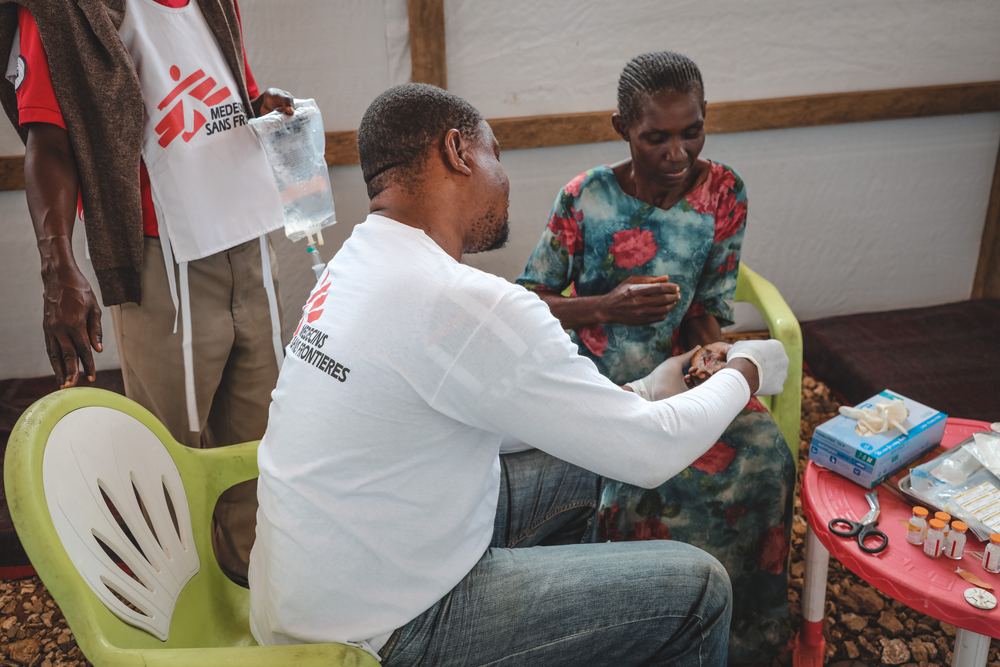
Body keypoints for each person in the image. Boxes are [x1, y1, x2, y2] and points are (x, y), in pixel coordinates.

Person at [248, 82, 790, 667]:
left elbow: (491, 408)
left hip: (307, 597)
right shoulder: (458, 299)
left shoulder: (352, 267)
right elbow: (651, 452)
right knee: (699, 589)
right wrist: (746, 369)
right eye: (496, 155)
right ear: (458, 152)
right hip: (384, 633)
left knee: (589, 471)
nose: (504, 178)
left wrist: (643, 389)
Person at [0, 0, 296, 585]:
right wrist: (57, 268)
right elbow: (48, 142)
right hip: (164, 255)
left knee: (262, 455)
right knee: (169, 464)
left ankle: (254, 603)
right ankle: (176, 612)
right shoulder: (63, 12)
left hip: (249, 236)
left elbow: (228, 91)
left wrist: (258, 110)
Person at [516, 51, 796, 664]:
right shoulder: (585, 197)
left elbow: (709, 305)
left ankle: (745, 641)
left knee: (766, 457)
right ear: (621, 128)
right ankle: (645, 633)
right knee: (635, 483)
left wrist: (714, 349)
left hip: (682, 377)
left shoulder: (724, 191)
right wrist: (604, 308)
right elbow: (525, 303)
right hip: (599, 388)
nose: (679, 153)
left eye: (691, 130)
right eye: (656, 137)